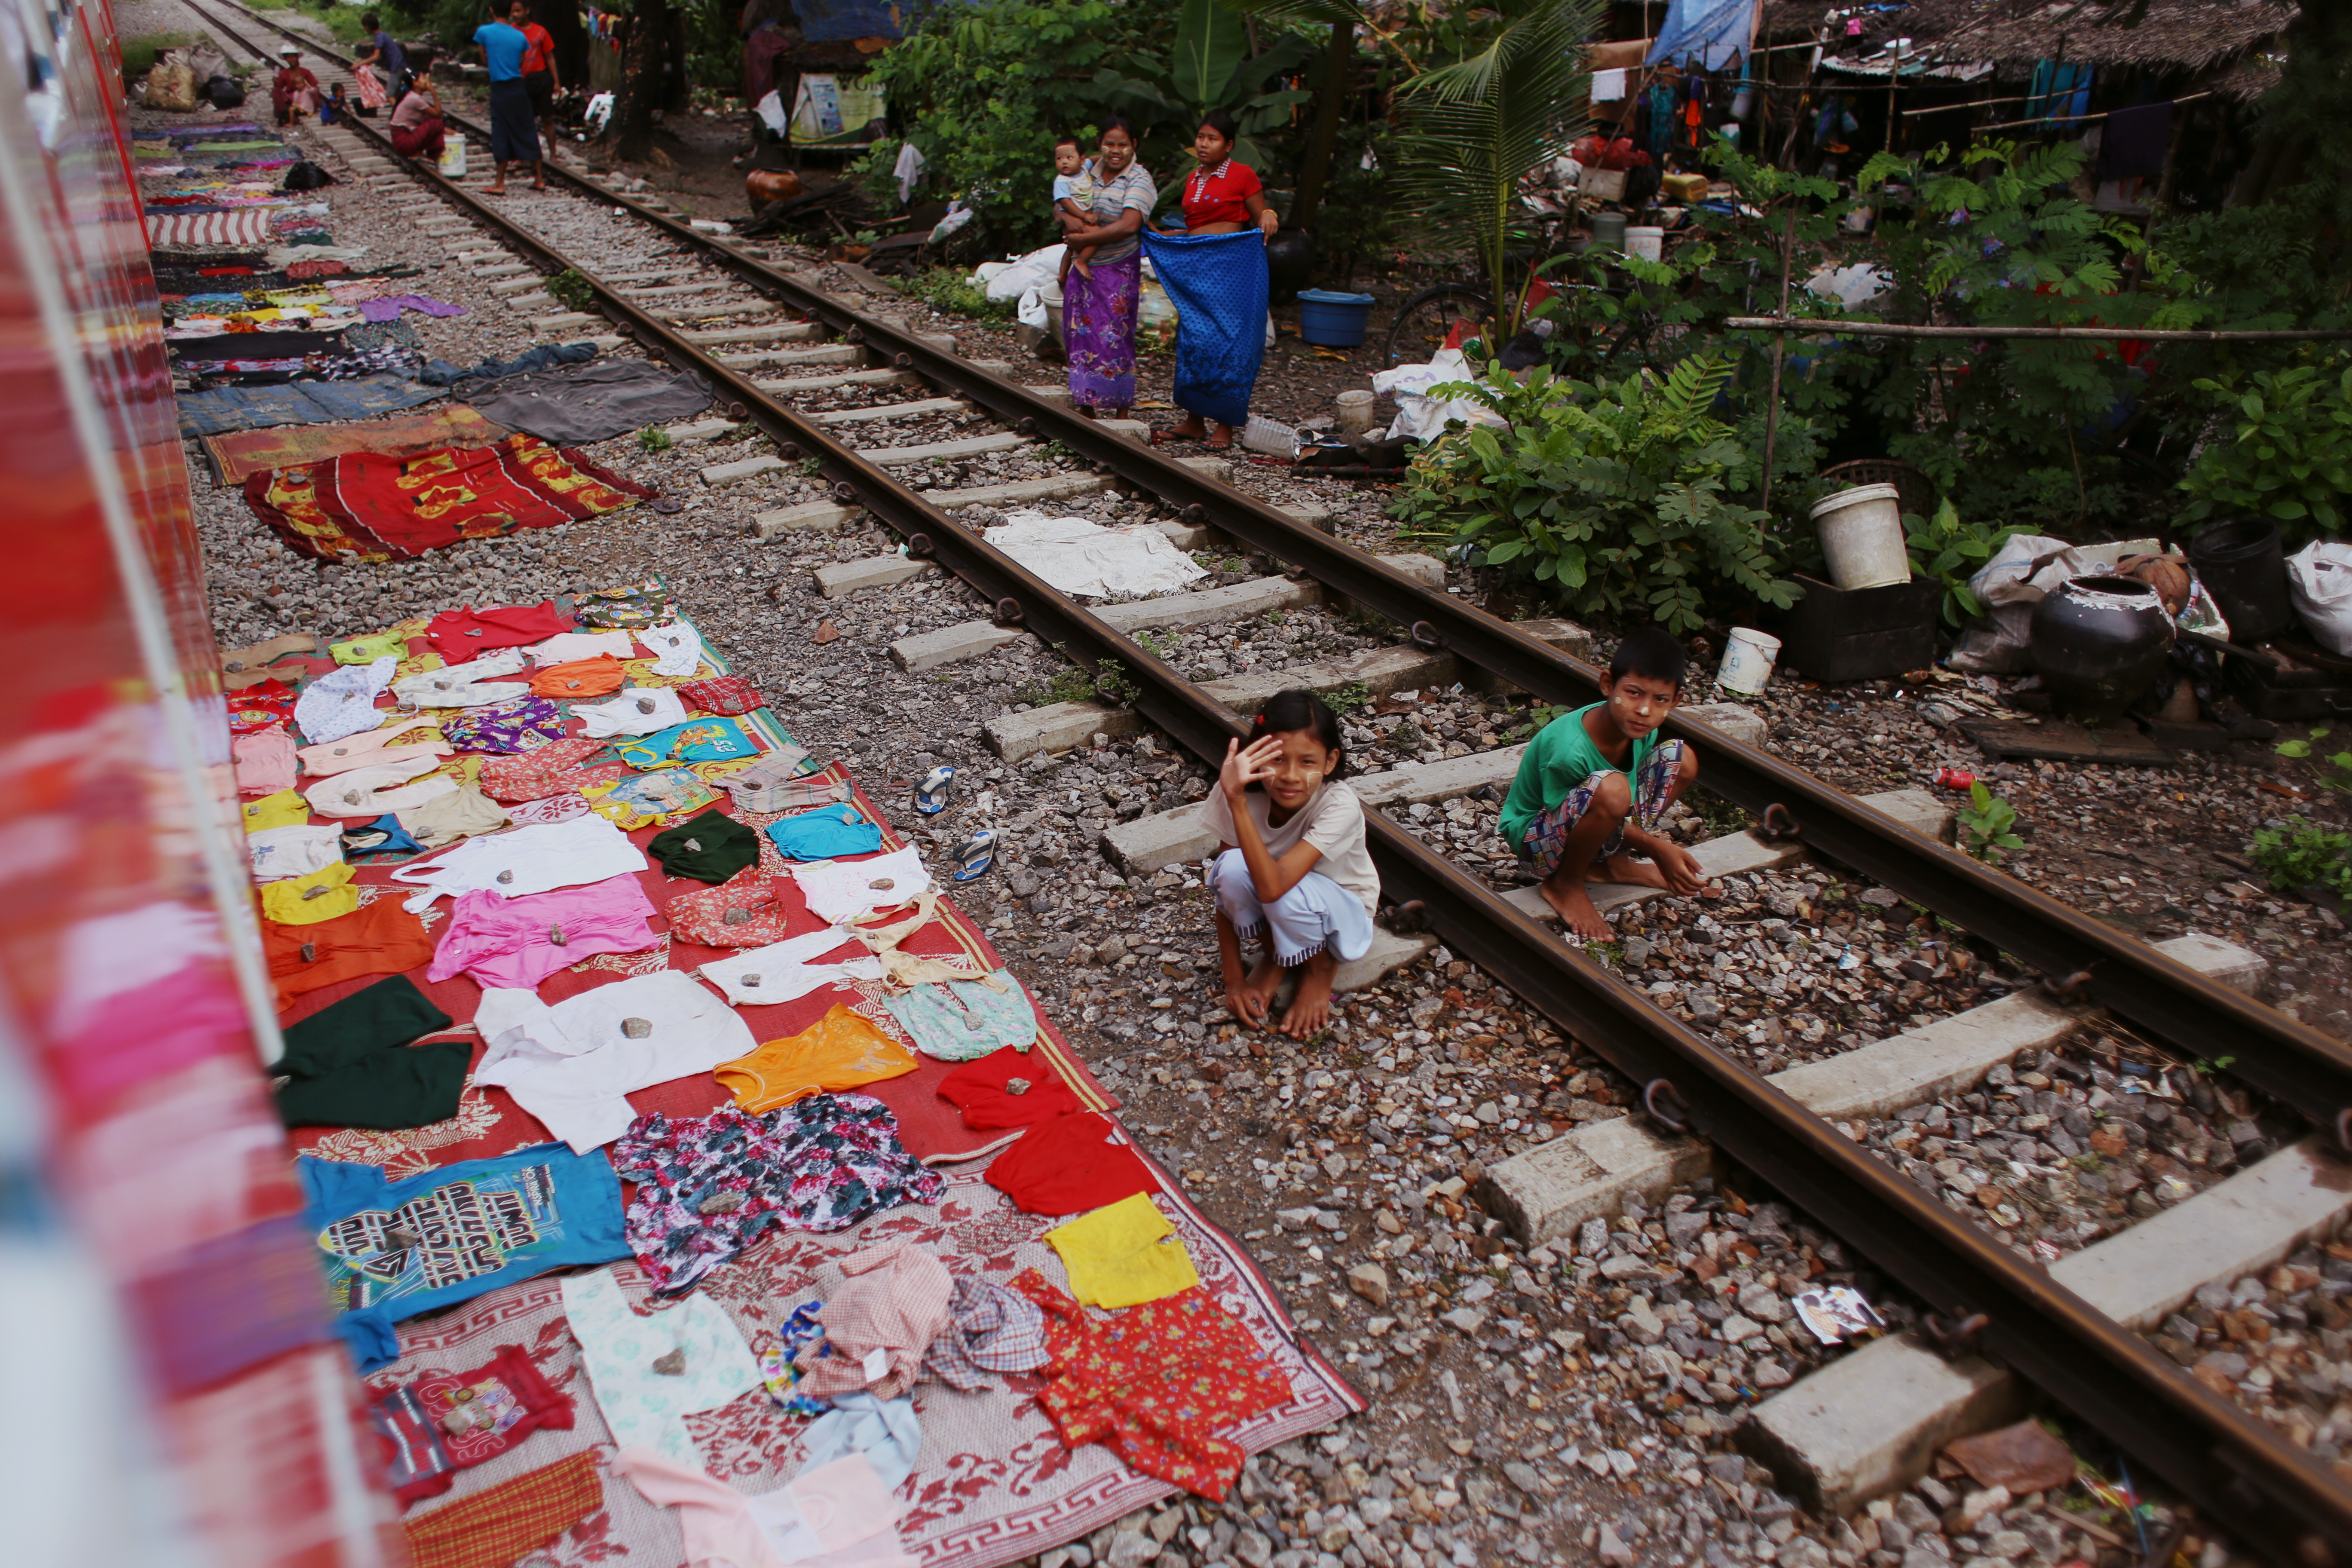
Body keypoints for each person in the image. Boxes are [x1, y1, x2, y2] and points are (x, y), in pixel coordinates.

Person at [1498, 626, 1707, 943]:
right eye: (1634, 693)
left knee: (1683, 760)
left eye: (1660, 699)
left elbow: (1622, 801)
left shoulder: (1640, 727)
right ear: (1608, 684)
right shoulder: (1569, 749)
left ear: (1675, 701)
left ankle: (1613, 865)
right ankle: (1565, 884)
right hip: (1537, 842)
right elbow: (1570, 813)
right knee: (1613, 789)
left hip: (1590, 824)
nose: (1645, 710)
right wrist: (1656, 847)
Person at [1200, 689, 1380, 1041]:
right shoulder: (1237, 788)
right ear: (1255, 756)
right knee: (1231, 866)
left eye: (1308, 762)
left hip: (1343, 918)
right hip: (1284, 904)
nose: (1291, 776)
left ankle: (1319, 969)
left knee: (1279, 887)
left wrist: (1237, 804)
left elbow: (1273, 887)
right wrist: (1234, 980)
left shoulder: (1339, 804)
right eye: (1278, 759)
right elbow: (1226, 887)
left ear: (1330, 763)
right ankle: (1279, 955)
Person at [1148, 110, 1280, 451]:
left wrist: (1269, 215)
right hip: (1197, 269)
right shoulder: (1194, 178)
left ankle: (1224, 426)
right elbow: (1197, 227)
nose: (1204, 144)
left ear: (1229, 144)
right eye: (1201, 137)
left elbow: (1260, 214)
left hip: (1232, 271)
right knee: (1194, 340)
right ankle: (1194, 422)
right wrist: (1168, 236)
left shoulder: (1243, 174)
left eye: (1213, 139)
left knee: (1231, 343)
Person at [1052, 116, 1155, 419]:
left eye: (1123, 144)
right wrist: (1067, 218)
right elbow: (1061, 199)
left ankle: (1121, 408)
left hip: (1118, 268)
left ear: (1134, 145)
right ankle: (1086, 404)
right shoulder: (1087, 169)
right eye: (1110, 143)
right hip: (1082, 268)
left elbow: (1129, 224)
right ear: (1099, 144)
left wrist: (1086, 235)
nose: (1116, 150)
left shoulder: (1139, 179)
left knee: (1114, 335)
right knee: (1080, 335)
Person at [473, 6, 543, 193]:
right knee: (527, 128)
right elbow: (522, 58)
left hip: (500, 89)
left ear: (491, 9)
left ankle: (500, 184)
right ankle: (539, 179)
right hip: (518, 87)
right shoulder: (520, 36)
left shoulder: (484, 32)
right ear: (509, 11)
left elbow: (483, 57)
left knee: (501, 131)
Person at [511, 0, 561, 151]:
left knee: (547, 119)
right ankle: (523, 155)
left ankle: (553, 155)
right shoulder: (510, 32)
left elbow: (550, 57)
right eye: (513, 12)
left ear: (527, 10)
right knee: (523, 120)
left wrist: (557, 82)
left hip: (540, 78)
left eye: (518, 11)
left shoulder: (540, 32)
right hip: (521, 80)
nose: (515, 15)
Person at [1051, 135, 1096, 285]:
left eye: (1070, 158)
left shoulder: (1084, 169)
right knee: (1098, 237)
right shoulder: (1062, 180)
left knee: (1071, 248)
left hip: (1084, 215)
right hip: (1075, 218)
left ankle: (1062, 275)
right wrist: (1084, 216)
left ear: (1081, 159)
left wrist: (1105, 156)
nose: (1064, 162)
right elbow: (1065, 202)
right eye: (1059, 158)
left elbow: (1093, 160)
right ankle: (1081, 261)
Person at [389, 65, 446, 164]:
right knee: (436, 124)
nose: (427, 81)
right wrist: (433, 92)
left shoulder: (412, 96)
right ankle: (421, 154)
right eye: (423, 78)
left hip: (403, 143)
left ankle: (424, 153)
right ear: (415, 83)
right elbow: (438, 114)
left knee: (428, 118)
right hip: (404, 143)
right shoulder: (415, 99)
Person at [353, 12, 401, 111]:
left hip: (397, 68)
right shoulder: (383, 36)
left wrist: (360, 63)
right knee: (399, 93)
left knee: (390, 94)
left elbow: (376, 56)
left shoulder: (379, 37)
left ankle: (399, 117)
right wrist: (367, 64)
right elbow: (380, 57)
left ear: (367, 26)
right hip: (401, 65)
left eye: (364, 27)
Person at [270, 46, 320, 126]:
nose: (291, 59)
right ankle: (283, 116)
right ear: (286, 59)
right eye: (289, 57)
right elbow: (280, 88)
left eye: (293, 57)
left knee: (315, 90)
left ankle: (309, 109)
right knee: (275, 90)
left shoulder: (306, 72)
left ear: (297, 58)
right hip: (292, 98)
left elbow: (314, 86)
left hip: (305, 97)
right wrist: (276, 82)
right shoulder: (284, 73)